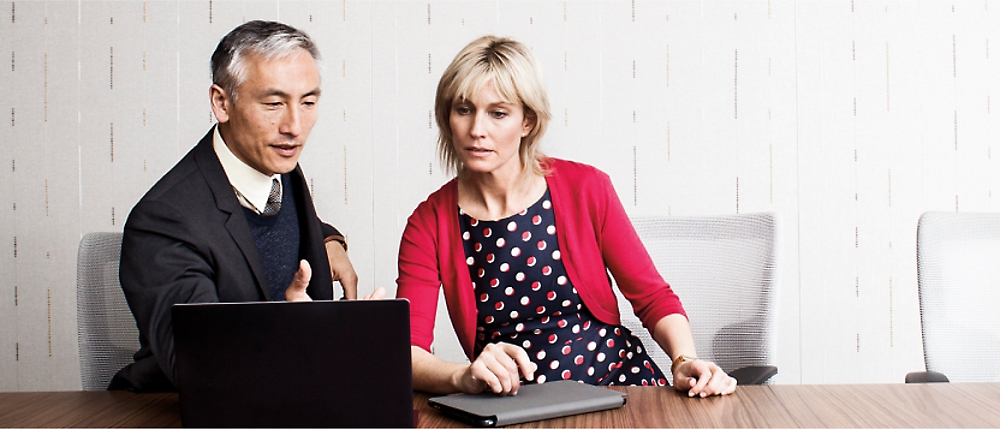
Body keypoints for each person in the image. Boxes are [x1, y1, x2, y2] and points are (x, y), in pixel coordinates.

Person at [396, 36, 737, 398]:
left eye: (498, 113)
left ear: (527, 121)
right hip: (518, 407)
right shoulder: (428, 223)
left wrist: (684, 360)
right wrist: (462, 377)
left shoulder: (587, 187)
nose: (477, 129)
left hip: (620, 387)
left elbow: (653, 297)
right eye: (464, 109)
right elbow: (408, 352)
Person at [110, 20, 366, 392]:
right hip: (181, 412)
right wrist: (295, 334)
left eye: (308, 102)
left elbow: (261, 224)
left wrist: (328, 239)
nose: (295, 125)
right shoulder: (162, 220)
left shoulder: (278, 165)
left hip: (290, 398)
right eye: (274, 104)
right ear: (221, 103)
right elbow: (205, 366)